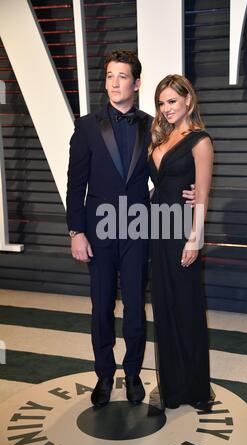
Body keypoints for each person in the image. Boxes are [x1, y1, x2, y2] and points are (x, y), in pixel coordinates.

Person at [66, 51, 195, 408]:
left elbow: (164, 173)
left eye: (122, 77)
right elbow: (75, 183)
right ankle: (104, 376)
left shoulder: (152, 125)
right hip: (99, 229)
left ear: (136, 83)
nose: (114, 83)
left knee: (136, 307)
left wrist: (192, 189)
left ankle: (134, 373)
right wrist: (76, 231)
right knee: (101, 306)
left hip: (139, 229)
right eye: (109, 76)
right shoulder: (88, 126)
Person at [149, 74, 215, 409]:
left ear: (188, 100)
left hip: (182, 231)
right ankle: (172, 387)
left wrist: (195, 240)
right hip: (156, 231)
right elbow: (159, 184)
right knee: (163, 307)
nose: (166, 108)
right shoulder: (159, 136)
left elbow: (201, 194)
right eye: (161, 103)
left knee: (187, 307)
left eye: (172, 101)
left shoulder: (200, 141)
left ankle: (196, 388)